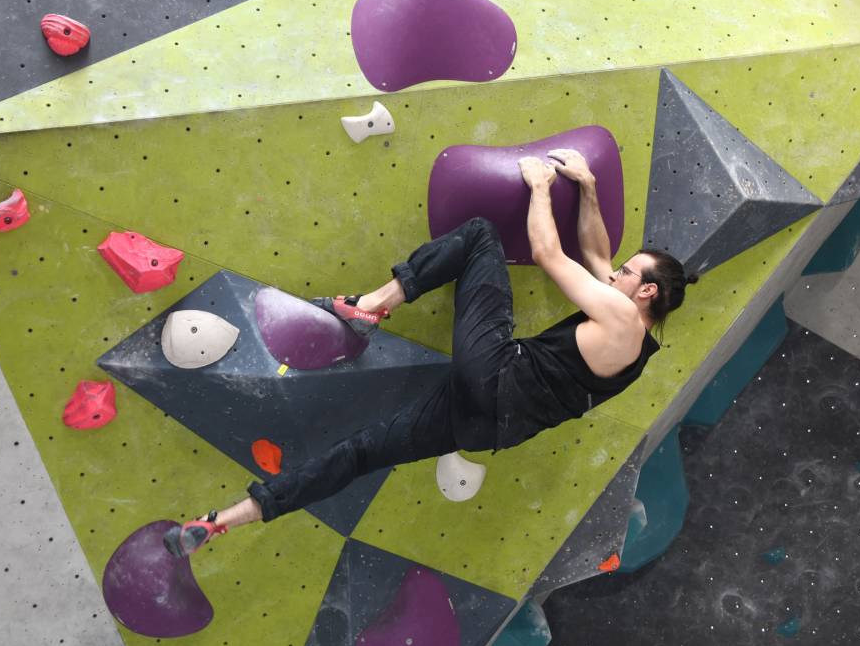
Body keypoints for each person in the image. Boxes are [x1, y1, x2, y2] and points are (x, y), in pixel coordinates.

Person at [163, 149, 698, 557]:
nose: (616, 274)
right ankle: (223, 521)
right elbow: (598, 255)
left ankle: (372, 306)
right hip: (487, 426)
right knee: (362, 452)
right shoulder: (635, 342)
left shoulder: (620, 316)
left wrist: (540, 186)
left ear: (647, 291)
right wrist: (588, 187)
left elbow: (547, 252)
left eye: (629, 272)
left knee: (480, 236)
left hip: (495, 372)